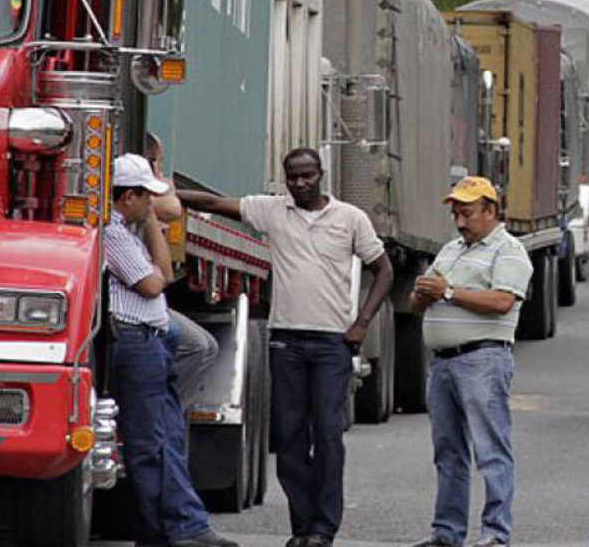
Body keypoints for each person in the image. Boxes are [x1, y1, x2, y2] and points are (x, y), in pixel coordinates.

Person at [177, 147, 394, 547]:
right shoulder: (273, 211)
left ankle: (324, 529)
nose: (299, 184)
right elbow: (211, 203)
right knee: (291, 437)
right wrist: (162, 190)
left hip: (332, 343)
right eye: (293, 177)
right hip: (287, 341)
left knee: (328, 434)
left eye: (307, 176)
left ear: (321, 174)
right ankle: (302, 527)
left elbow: (384, 270)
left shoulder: (350, 219)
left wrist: (362, 322)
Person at [105, 153, 236, 547]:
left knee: (165, 436)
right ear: (128, 196)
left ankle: (181, 526)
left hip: (151, 340)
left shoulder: (129, 230)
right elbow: (152, 284)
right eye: (146, 197)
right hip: (135, 339)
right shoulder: (111, 233)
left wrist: (148, 225)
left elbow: (166, 273)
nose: (152, 204)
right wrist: (149, 234)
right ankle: (168, 530)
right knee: (150, 442)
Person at [406, 176, 532, 547]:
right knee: (448, 452)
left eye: (468, 213)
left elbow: (502, 302)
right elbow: (417, 302)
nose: (460, 222)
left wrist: (446, 290)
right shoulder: (450, 250)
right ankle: (447, 532)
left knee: (491, 449)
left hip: (483, 359)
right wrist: (423, 294)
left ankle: (495, 533)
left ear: (490, 211)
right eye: (456, 214)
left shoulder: (508, 250)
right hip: (444, 362)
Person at [144, 132, 220, 410]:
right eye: (158, 164)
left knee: (205, 345)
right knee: (195, 345)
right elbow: (171, 205)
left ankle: (169, 414)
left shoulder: (143, 204)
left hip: (150, 303)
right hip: (134, 310)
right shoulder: (129, 201)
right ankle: (162, 415)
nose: (162, 173)